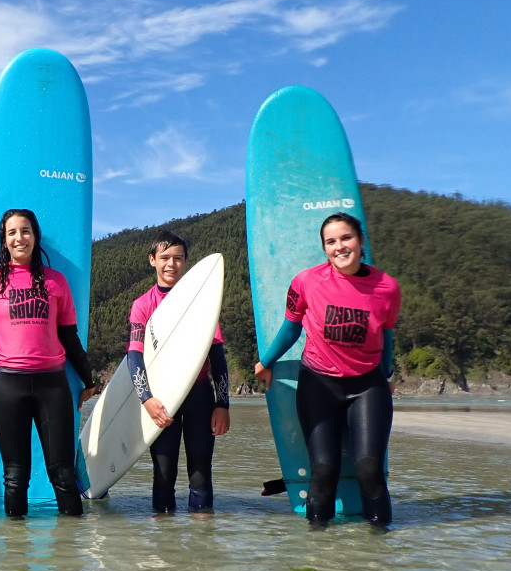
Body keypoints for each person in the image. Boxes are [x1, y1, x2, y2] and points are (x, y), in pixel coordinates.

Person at [253, 212, 402, 527]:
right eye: (331, 242)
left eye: (346, 238)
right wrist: (266, 362)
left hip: (367, 386)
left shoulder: (387, 288)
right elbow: (291, 329)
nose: (340, 247)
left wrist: (388, 374)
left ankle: (380, 555)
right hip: (319, 385)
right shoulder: (306, 282)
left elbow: (386, 337)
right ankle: (317, 551)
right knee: (323, 470)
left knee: (369, 469)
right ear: (324, 248)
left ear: (360, 241)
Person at [0, 209, 98, 518]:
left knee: (62, 473)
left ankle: (69, 555)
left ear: (35, 236)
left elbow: (70, 338)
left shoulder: (56, 282)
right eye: (12, 233)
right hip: (8, 386)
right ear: (4, 241)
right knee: (15, 475)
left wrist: (88, 380)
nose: (19, 238)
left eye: (25, 231)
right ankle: (15, 557)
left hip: (53, 385)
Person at [128, 232, 230, 513]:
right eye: (164, 258)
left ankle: (202, 547)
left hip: (199, 398)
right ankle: (164, 548)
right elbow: (134, 356)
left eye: (177, 258)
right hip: (161, 401)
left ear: (186, 262)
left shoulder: (202, 303)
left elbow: (218, 358)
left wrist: (223, 404)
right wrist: (146, 399)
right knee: (163, 475)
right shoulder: (142, 305)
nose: (171, 264)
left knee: (200, 474)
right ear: (152, 261)